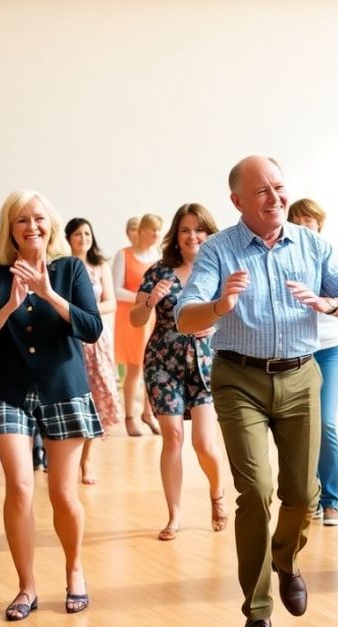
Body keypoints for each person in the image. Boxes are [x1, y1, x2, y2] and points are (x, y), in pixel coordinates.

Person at [175, 156, 338, 627]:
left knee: (303, 495)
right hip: (238, 379)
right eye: (261, 191)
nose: (275, 198)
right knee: (256, 491)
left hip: (302, 376)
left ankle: (286, 560)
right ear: (238, 201)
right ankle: (258, 613)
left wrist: (328, 303)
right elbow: (184, 317)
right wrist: (219, 306)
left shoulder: (312, 245)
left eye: (280, 187)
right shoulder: (219, 251)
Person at [0, 190, 104, 620]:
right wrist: (7, 306)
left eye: (39, 218)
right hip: (8, 389)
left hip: (62, 387)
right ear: (10, 228)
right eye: (22, 220)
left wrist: (49, 294)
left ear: (51, 224)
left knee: (63, 493)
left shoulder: (70, 269)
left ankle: (74, 569)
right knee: (20, 487)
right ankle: (26, 586)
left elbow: (92, 328)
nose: (32, 227)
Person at [131, 203, 228, 540]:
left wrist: (213, 326)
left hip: (205, 363)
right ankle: (174, 515)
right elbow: (136, 319)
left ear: (209, 233)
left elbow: (234, 313)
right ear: (177, 234)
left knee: (204, 444)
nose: (192, 236)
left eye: (199, 230)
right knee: (172, 436)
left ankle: (217, 494)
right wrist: (148, 301)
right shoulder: (158, 271)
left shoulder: (218, 268)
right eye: (186, 230)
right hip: (163, 361)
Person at [287, 197, 338, 525]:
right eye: (299, 220)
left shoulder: (335, 252)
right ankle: (310, 495)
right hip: (296, 348)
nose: (306, 225)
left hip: (332, 346)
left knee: (326, 421)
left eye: (311, 220)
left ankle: (331, 500)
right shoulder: (286, 254)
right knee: (299, 426)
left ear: (319, 223)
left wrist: (326, 302)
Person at [65, 217, 120, 484]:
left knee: (96, 398)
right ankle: (65, 458)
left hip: (96, 339)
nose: (83, 238)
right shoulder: (62, 265)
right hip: (68, 338)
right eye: (77, 234)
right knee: (71, 398)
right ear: (68, 238)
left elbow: (111, 303)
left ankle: (87, 460)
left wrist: (85, 313)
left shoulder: (100, 266)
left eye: (87, 233)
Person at [113, 214, 162, 437]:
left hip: (154, 317)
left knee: (153, 366)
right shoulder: (124, 255)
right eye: (152, 230)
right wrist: (142, 297)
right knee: (135, 368)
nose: (156, 234)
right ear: (141, 231)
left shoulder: (159, 257)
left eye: (158, 230)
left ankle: (149, 413)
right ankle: (130, 417)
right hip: (131, 317)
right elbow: (116, 289)